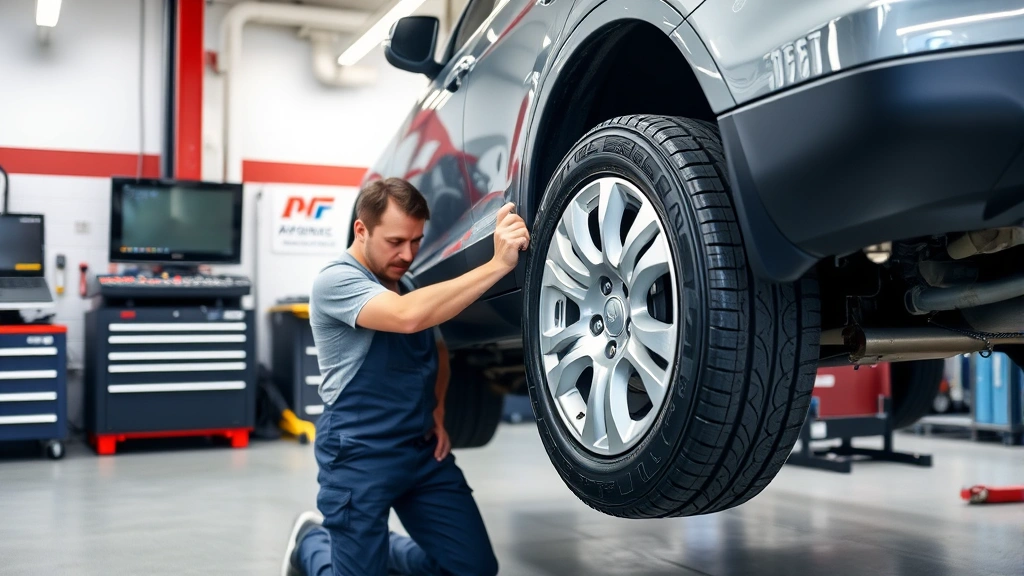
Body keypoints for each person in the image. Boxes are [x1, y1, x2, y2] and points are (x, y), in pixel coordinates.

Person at [281, 177, 530, 576]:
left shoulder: (408, 283)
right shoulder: (336, 281)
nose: (407, 253)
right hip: (359, 453)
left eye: (416, 241)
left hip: (419, 450)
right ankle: (311, 540)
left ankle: (376, 552)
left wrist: (437, 412)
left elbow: (440, 352)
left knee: (474, 569)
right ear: (361, 230)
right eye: (395, 241)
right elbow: (408, 317)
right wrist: (499, 264)